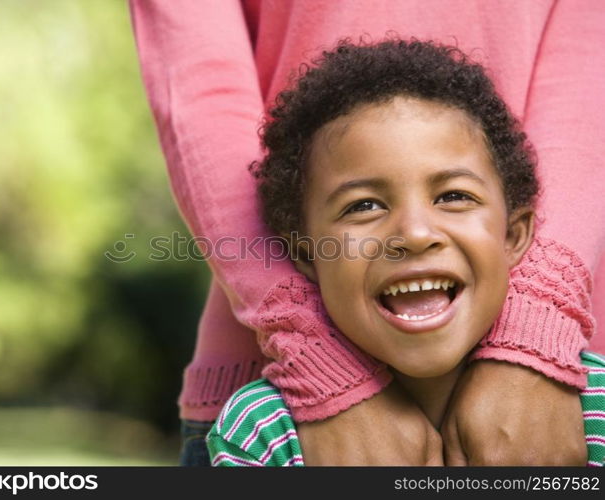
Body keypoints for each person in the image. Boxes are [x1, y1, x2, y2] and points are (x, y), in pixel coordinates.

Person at [129, 1, 605, 465]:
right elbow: (199, 90)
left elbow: (588, 72)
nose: (415, 233)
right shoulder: (259, 432)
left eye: (453, 196)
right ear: (304, 252)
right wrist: (317, 361)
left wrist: (535, 334)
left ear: (516, 232)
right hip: (291, 412)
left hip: (557, 397)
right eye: (365, 206)